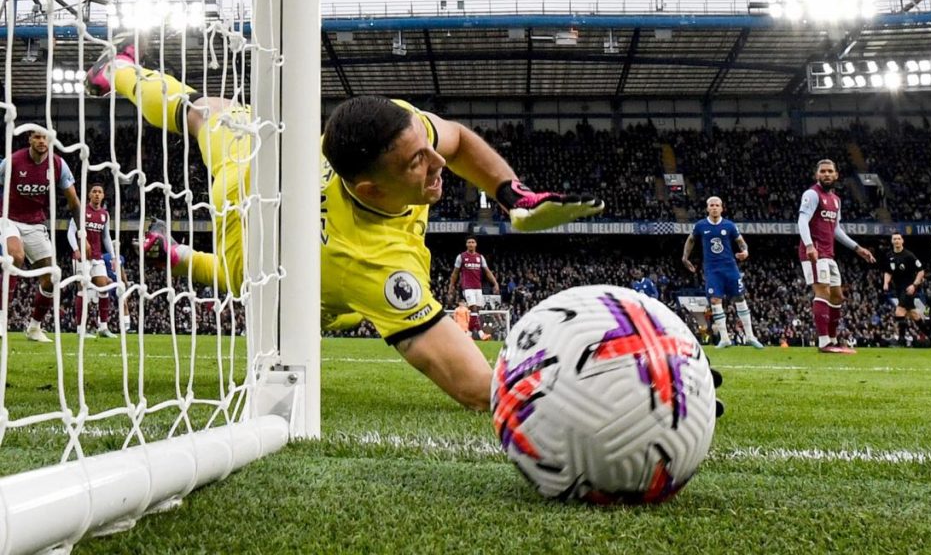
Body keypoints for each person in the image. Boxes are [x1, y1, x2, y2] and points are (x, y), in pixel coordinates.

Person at [86, 34, 604, 411]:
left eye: (425, 151)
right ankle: (175, 254)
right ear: (369, 190)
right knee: (248, 282)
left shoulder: (397, 130)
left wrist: (512, 193)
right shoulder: (373, 270)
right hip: (247, 212)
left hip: (265, 152)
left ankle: (121, 73)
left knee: (202, 110)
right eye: (417, 164)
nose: (438, 165)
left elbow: (459, 140)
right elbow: (476, 388)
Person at [0, 128, 84, 342]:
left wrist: (82, 232)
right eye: (36, 136)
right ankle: (1, 320)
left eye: (44, 137)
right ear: (29, 139)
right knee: (15, 258)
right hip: (8, 218)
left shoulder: (58, 165)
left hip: (35, 224)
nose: (41, 141)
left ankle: (35, 328)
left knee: (52, 277)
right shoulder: (12, 161)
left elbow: (74, 202)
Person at [797, 159, 876, 354]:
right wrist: (809, 246)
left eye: (829, 171)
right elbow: (802, 220)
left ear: (836, 175)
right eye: (822, 171)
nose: (826, 174)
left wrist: (857, 248)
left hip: (828, 253)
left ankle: (832, 339)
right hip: (814, 251)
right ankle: (824, 342)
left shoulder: (835, 200)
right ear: (817, 175)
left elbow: (836, 229)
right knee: (822, 291)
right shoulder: (812, 194)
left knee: (837, 296)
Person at [682, 196, 763, 349]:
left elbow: (740, 241)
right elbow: (691, 239)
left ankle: (750, 336)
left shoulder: (729, 225)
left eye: (717, 205)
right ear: (707, 208)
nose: (714, 208)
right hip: (712, 270)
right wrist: (685, 257)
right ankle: (724, 338)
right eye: (711, 205)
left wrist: (745, 251)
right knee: (714, 300)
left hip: (730, 267)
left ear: (721, 208)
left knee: (739, 297)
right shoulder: (700, 225)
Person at [67, 183, 118, 338]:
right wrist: (76, 249)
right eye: (94, 191)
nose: (97, 194)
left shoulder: (105, 214)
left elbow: (106, 237)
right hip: (82, 256)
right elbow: (71, 232)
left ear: (103, 196)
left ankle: (103, 327)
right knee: (83, 290)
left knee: (103, 287)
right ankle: (80, 329)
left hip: (97, 256)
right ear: (89, 195)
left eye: (100, 192)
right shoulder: (81, 211)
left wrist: (114, 256)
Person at [447, 236, 500, 338]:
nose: (471, 244)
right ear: (466, 244)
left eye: (473, 242)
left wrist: (495, 283)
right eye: (469, 242)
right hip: (467, 287)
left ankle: (468, 334)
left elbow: (487, 272)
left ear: (476, 244)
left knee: (476, 311)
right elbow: (455, 273)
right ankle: (481, 333)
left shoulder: (480, 257)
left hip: (478, 287)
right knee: (474, 308)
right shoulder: (461, 257)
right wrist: (451, 286)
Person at [882, 233, 927, 343]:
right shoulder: (889, 256)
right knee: (913, 314)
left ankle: (901, 340)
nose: (897, 241)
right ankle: (929, 333)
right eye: (894, 239)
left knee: (899, 311)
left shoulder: (909, 255)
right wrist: (886, 283)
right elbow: (888, 271)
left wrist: (914, 285)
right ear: (892, 241)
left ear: (902, 241)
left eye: (898, 239)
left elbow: (921, 271)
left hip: (909, 288)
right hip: (898, 288)